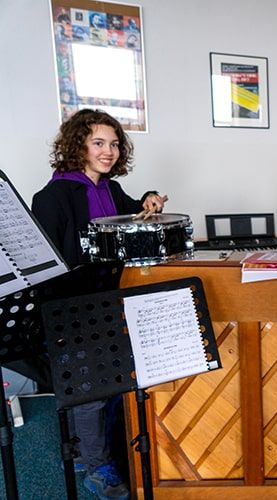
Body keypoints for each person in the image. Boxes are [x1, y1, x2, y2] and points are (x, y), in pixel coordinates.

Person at [32, 108, 165, 500]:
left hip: (109, 298)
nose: (109, 151)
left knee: (107, 385)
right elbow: (49, 265)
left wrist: (149, 199)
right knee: (91, 388)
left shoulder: (110, 189)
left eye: (114, 143)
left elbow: (131, 210)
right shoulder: (54, 196)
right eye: (98, 143)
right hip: (72, 306)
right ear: (79, 145)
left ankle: (83, 451)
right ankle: (95, 467)